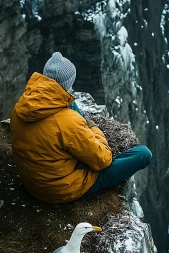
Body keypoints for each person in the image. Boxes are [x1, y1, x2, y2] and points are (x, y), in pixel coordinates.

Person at [10, 52, 152, 204]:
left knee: (69, 101)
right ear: (67, 83)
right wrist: (91, 127)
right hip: (57, 190)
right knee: (143, 154)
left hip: (32, 181)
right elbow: (103, 160)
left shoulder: (21, 106)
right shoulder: (68, 123)